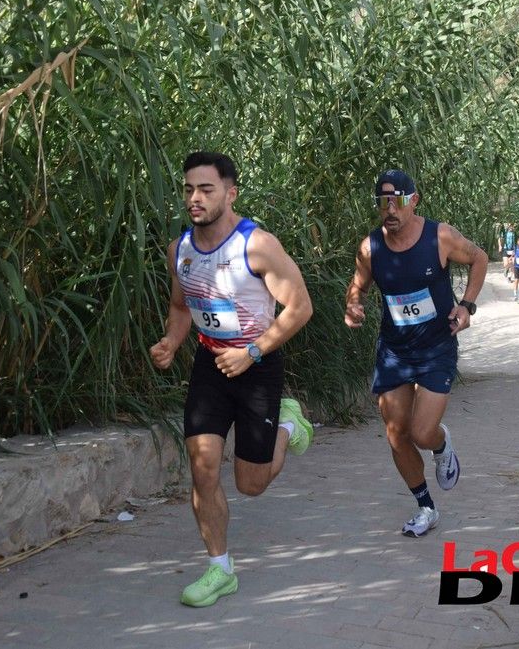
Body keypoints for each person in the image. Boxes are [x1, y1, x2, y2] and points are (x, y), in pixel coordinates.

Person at [150, 151, 315, 607]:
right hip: (210, 366)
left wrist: (254, 351)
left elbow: (300, 307)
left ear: (230, 192)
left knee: (251, 484)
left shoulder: (256, 246)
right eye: (188, 189)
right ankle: (219, 569)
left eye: (206, 189)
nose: (195, 198)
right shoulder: (180, 249)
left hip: (257, 367)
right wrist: (170, 341)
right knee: (202, 467)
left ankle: (288, 424)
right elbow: (183, 308)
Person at [344, 169, 488, 537]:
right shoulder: (370, 248)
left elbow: (480, 258)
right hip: (395, 351)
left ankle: (442, 445)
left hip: (437, 347)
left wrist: (467, 305)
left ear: (414, 200)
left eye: (398, 200)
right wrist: (353, 305)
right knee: (396, 434)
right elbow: (356, 287)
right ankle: (425, 506)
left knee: (422, 433)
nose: (390, 208)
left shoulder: (439, 237)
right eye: (383, 201)